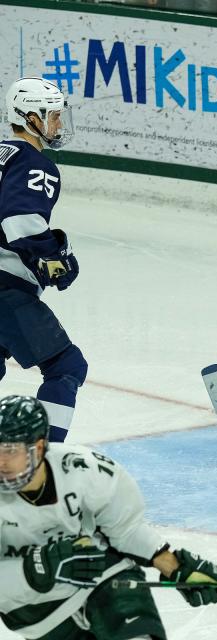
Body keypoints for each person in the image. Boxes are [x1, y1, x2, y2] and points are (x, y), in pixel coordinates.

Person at [0, 395, 217, 639]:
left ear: (37, 448)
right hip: (38, 614)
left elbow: (125, 529)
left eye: (10, 451)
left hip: (106, 581)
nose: (1, 462)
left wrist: (174, 567)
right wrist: (35, 569)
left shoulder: (84, 469)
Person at [1, 77, 86, 443]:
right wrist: (52, 257)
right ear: (30, 117)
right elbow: (21, 221)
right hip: (5, 287)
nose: (57, 124)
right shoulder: (36, 163)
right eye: (51, 116)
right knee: (66, 366)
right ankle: (43, 461)